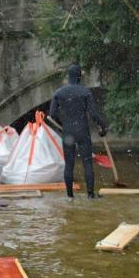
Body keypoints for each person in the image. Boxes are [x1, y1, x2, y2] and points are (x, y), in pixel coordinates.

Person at [49, 64, 108, 200]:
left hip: (68, 132)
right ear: (79, 76)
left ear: (68, 76)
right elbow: (93, 114)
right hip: (82, 131)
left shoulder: (58, 93)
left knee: (69, 164)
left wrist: (62, 124)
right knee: (87, 162)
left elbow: (52, 114)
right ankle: (90, 195)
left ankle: (70, 196)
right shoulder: (85, 92)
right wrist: (102, 126)